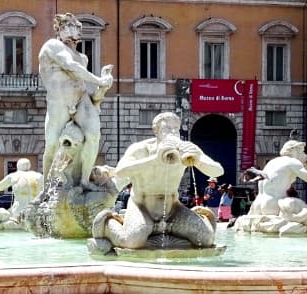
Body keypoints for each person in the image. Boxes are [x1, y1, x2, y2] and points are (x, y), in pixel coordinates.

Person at [91, 112, 224, 251]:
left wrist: (198, 160)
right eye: (167, 129)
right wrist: (154, 160)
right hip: (142, 208)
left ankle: (184, 225)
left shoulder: (186, 149)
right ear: (156, 131)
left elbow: (218, 171)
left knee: (206, 239)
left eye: (176, 129)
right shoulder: (141, 149)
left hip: (173, 210)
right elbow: (120, 171)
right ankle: (108, 224)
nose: (172, 133)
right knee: (133, 242)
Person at [38, 12, 114, 187]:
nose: (75, 30)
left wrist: (102, 88)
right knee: (51, 145)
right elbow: (70, 67)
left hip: (81, 100)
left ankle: (84, 180)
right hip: (59, 102)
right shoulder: (52, 46)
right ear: (60, 29)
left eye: (77, 27)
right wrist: (99, 80)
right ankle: (46, 188)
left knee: (94, 135)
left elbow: (83, 84)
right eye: (70, 26)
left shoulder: (82, 57)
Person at [249, 140, 307, 216]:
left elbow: (285, 177)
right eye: (302, 152)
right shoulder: (293, 162)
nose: (304, 155)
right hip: (274, 205)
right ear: (295, 151)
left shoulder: (273, 162)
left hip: (257, 205)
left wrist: (306, 166)